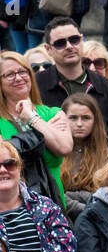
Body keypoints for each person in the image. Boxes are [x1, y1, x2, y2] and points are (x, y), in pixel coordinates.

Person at [0, 49, 73, 206]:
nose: (18, 78)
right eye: (10, 74)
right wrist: (44, 133)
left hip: (53, 204)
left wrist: (31, 117)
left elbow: (64, 147)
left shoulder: (53, 113)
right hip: (11, 208)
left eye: (23, 71)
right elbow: (5, 158)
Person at [61, 95, 108, 223]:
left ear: (95, 121)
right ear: (63, 119)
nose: (79, 124)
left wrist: (67, 196)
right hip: (61, 222)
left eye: (86, 118)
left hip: (97, 224)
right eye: (73, 118)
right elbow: (52, 195)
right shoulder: (53, 154)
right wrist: (87, 205)